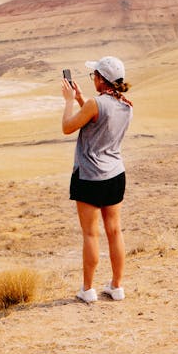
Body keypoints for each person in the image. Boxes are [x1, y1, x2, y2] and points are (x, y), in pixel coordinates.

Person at [61, 56, 133, 303]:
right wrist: (83, 100)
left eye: (94, 76)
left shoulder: (95, 104)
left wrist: (70, 102)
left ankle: (88, 289)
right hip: (115, 174)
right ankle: (116, 286)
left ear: (102, 79)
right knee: (114, 231)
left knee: (91, 235)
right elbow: (99, 121)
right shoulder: (126, 105)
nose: (93, 79)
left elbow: (68, 127)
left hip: (89, 177)